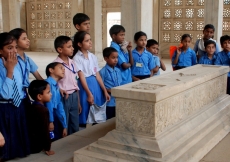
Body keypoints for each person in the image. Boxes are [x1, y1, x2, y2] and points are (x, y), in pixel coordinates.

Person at [0, 32, 30, 161]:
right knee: (8, 137)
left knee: (19, 133)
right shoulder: (5, 66)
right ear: (0, 50)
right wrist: (10, 70)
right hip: (5, 106)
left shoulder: (17, 62)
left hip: (18, 103)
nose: (14, 51)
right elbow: (5, 94)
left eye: (15, 47)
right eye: (9, 48)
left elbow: (22, 83)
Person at [72, 31, 110, 126]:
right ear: (80, 44)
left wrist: (104, 90)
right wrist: (89, 93)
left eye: (90, 40)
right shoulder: (76, 58)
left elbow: (97, 74)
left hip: (96, 85)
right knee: (85, 112)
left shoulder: (92, 56)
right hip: (85, 86)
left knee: (97, 113)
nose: (90, 42)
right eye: (87, 40)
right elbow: (81, 77)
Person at [53, 36, 81, 135]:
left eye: (72, 46)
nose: (72, 48)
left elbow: (75, 81)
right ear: (60, 49)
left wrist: (78, 102)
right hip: (64, 96)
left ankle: (74, 142)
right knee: (64, 120)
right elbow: (53, 82)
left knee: (74, 122)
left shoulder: (73, 63)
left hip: (74, 95)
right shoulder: (55, 65)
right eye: (69, 47)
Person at [28, 80, 55, 156]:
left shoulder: (33, 106)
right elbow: (44, 130)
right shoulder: (42, 110)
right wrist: (47, 148)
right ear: (39, 96)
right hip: (37, 146)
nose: (51, 94)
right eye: (48, 92)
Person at [45, 62, 67, 140]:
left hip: (54, 115)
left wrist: (64, 126)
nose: (64, 69)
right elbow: (49, 104)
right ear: (51, 70)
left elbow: (59, 106)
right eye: (60, 68)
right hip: (48, 116)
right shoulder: (47, 84)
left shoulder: (57, 86)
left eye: (64, 68)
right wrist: (51, 121)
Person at [99, 47, 122, 119]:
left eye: (117, 57)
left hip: (118, 101)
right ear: (106, 59)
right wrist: (108, 90)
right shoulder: (103, 72)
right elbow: (100, 86)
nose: (116, 60)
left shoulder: (118, 70)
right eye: (113, 58)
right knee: (109, 120)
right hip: (109, 102)